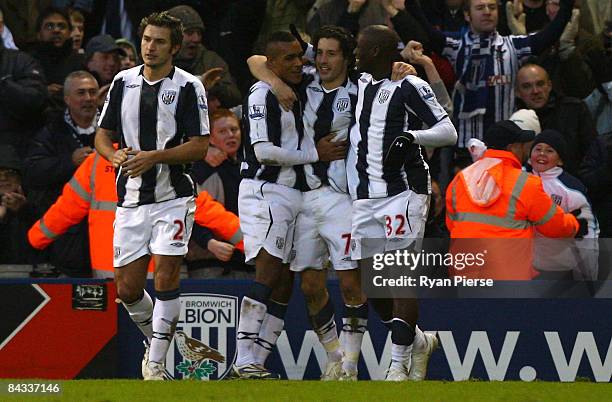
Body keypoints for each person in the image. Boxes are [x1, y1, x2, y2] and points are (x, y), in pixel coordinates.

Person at [94, 11, 209, 380]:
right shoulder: (122, 82)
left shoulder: (190, 86)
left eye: (159, 41)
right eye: (146, 39)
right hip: (130, 198)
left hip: (173, 197)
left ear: (174, 47)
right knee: (127, 288)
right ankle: (162, 344)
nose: (150, 47)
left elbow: (199, 147)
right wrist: (113, 154)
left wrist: (154, 157)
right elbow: (102, 133)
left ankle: (156, 366)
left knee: (165, 276)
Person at [349, 25, 457, 381]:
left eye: (362, 49)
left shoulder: (409, 85)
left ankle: (398, 366)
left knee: (400, 278)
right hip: (366, 195)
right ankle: (420, 341)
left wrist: (412, 136)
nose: (356, 55)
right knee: (372, 285)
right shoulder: (363, 82)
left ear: (377, 52)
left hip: (404, 192)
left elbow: (448, 130)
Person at [231, 31, 327, 380]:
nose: (298, 63)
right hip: (266, 189)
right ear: (272, 64)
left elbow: (262, 60)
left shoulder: (305, 79)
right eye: (288, 58)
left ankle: (255, 360)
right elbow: (263, 151)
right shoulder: (261, 93)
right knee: (269, 270)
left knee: (285, 279)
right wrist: (316, 155)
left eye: (299, 55)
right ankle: (242, 357)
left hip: (294, 192)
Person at [28, 150, 242, 279]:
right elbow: (207, 210)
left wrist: (35, 238)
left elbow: (66, 210)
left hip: (108, 277)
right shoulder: (164, 163)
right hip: (152, 278)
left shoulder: (97, 163)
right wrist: (252, 243)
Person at [404, 0, 575, 150]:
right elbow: (427, 30)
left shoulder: (513, 46)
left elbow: (547, 37)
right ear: (467, 15)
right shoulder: (457, 46)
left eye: (492, 7)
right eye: (480, 7)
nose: (487, 12)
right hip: (465, 146)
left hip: (506, 145)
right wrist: (410, 4)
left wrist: (567, 5)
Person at [446, 120, 585, 280]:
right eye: (522, 144)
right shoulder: (525, 183)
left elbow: (452, 224)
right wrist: (575, 224)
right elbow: (555, 227)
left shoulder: (461, 179)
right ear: (511, 147)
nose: (526, 148)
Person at [528, 129, 599, 280]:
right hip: (525, 266)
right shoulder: (520, 179)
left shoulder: (571, 189)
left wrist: (588, 273)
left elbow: (587, 232)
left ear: (560, 160)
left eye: (549, 150)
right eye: (538, 149)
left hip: (558, 269)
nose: (542, 154)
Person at [188, 108, 249, 277]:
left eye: (234, 130)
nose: (231, 135)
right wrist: (209, 242)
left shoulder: (248, 167)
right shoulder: (202, 170)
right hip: (209, 261)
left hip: (246, 262)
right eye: (222, 131)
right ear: (211, 139)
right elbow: (190, 214)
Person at [515, 63, 598, 180]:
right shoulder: (514, 120)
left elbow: (592, 153)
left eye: (540, 84)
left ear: (549, 85)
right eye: (527, 86)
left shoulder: (574, 109)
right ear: (517, 92)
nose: (535, 91)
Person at [167, 5, 242, 108]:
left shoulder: (211, 61)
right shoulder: (157, 60)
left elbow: (235, 98)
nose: (196, 39)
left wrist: (213, 86)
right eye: (189, 33)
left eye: (199, 33)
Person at [27, 7, 83, 102]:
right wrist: (44, 92)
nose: (56, 30)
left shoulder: (81, 62)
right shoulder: (27, 63)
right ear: (39, 34)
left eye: (61, 26)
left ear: (69, 33)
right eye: (49, 26)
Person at [0, 145, 40, 265]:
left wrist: (24, 210)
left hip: (35, 274)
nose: (3, 178)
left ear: (20, 177)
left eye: (10, 172)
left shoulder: (37, 199)